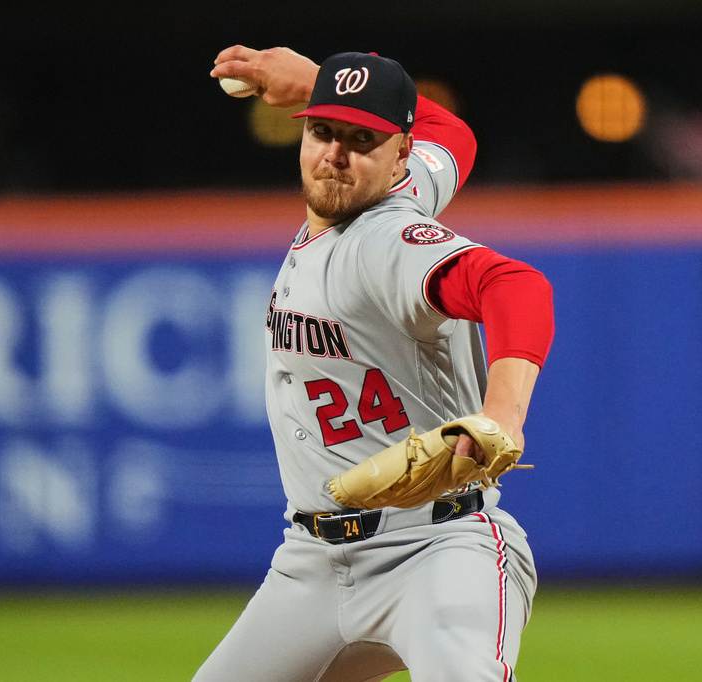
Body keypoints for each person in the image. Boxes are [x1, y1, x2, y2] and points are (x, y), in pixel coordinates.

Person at [195, 45, 555, 682]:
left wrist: (501, 415)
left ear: (400, 154)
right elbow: (455, 136)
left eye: (361, 139)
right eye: (322, 130)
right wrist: (318, 82)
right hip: (310, 562)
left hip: (435, 550)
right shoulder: (397, 181)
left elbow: (515, 285)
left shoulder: (383, 241)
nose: (334, 154)